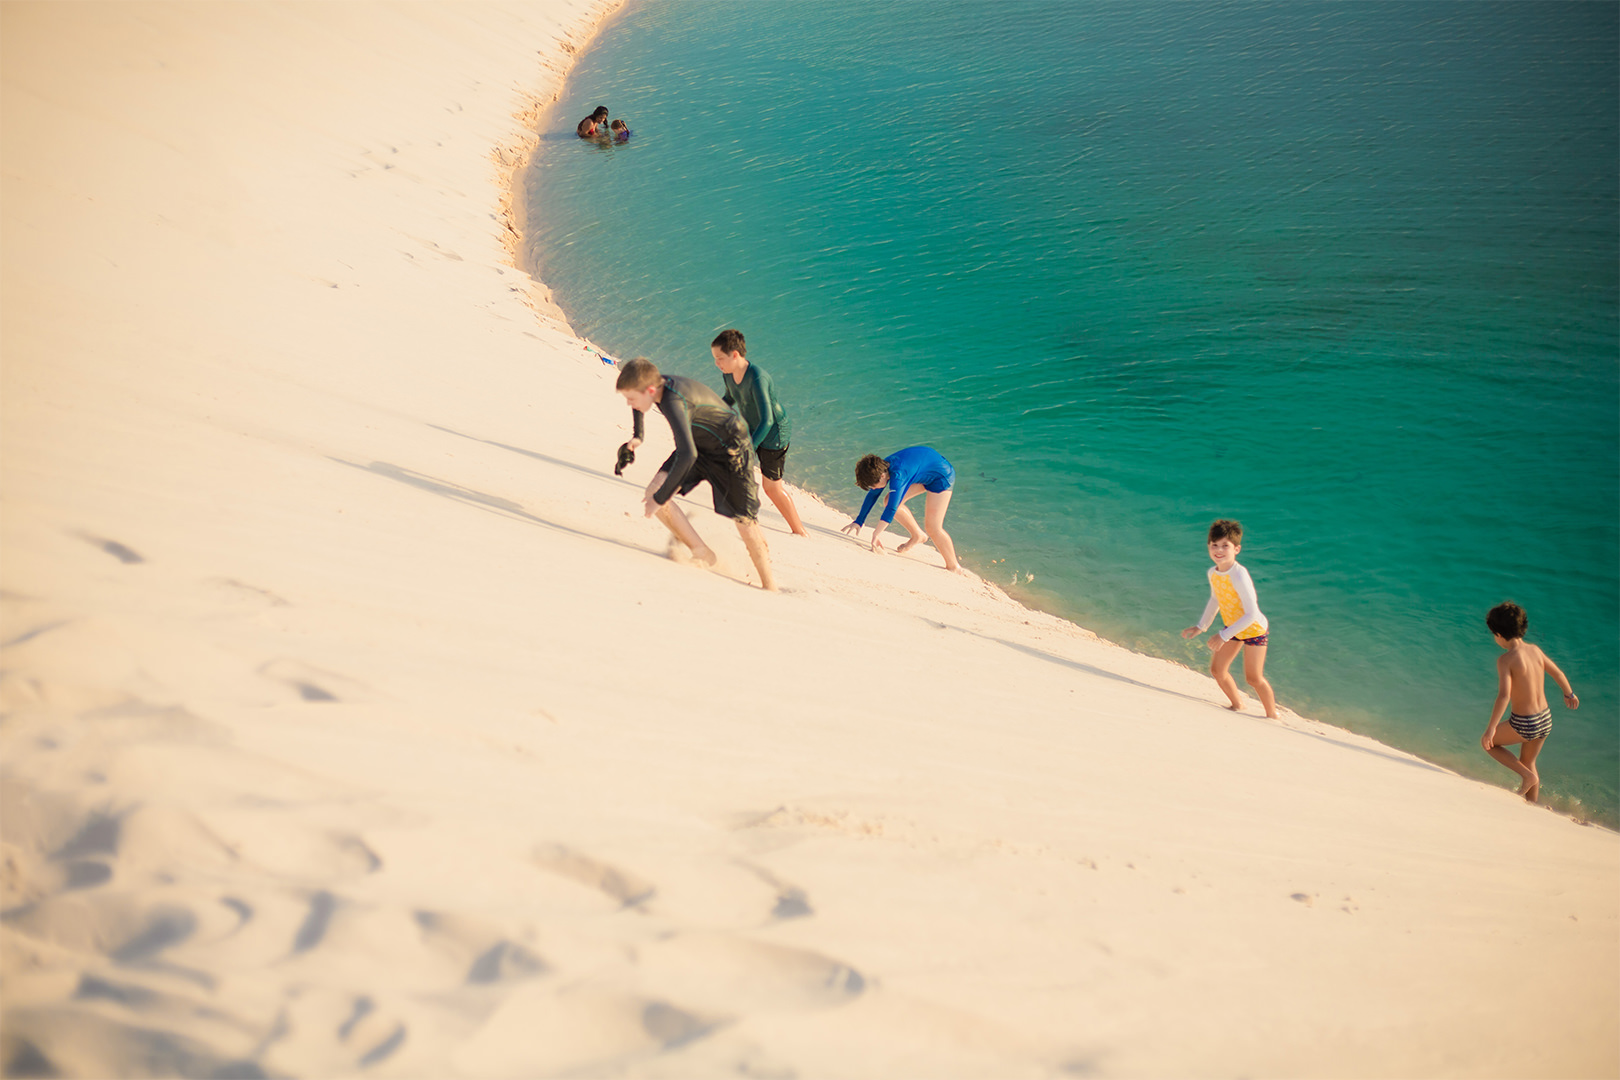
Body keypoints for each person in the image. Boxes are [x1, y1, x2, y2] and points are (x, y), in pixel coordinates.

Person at [616, 357, 777, 591]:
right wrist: (637, 438)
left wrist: (660, 499)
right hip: (699, 444)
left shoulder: (672, 400)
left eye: (631, 398)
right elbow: (640, 406)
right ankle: (702, 552)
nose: (630, 404)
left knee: (744, 520)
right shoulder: (655, 387)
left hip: (732, 450)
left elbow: (687, 455)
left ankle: (770, 586)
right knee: (653, 491)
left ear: (649, 390)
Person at [710, 329, 807, 537]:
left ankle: (800, 531)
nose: (717, 363)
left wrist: (750, 449)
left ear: (735, 355)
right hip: (755, 428)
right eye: (715, 359)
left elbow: (768, 419)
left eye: (720, 358)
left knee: (772, 488)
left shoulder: (757, 378)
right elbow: (730, 398)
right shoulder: (728, 374)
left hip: (775, 434)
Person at [1480, 601, 1578, 803]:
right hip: (1545, 718)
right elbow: (1557, 673)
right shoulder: (1535, 650)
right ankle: (1533, 805)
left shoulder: (1506, 660)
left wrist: (1491, 728)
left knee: (1489, 745)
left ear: (1498, 634)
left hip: (1525, 723)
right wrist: (1569, 694)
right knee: (1529, 761)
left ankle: (1526, 777)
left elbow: (1504, 696)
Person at [1180, 519, 1277, 719]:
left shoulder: (1239, 575)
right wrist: (1201, 626)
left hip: (1254, 629)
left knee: (1253, 678)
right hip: (1233, 628)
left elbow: (1251, 614)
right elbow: (1216, 599)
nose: (1219, 550)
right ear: (1208, 547)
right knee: (1217, 670)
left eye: (1225, 546)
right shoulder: (1213, 573)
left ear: (1237, 549)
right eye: (1214, 545)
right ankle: (1237, 705)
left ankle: (1272, 716)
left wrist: (1223, 635)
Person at [840, 446, 962, 572]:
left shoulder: (898, 475)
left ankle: (954, 566)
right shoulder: (882, 467)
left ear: (882, 476)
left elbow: (893, 507)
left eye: (873, 485)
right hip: (923, 470)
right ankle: (918, 535)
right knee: (887, 500)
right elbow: (873, 495)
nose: (873, 488)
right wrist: (859, 521)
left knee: (933, 528)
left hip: (941, 476)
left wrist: (876, 534)